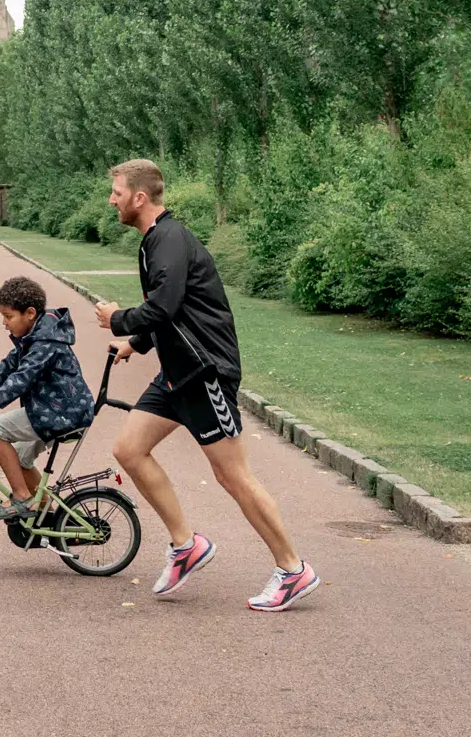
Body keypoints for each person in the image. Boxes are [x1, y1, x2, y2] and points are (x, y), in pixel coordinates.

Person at [95, 159, 320, 612]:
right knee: (129, 450)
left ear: (140, 197)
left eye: (117, 192)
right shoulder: (155, 241)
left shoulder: (169, 240)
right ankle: (186, 546)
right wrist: (135, 344)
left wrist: (117, 320)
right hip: (177, 373)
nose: (112, 199)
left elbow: (163, 306)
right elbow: (172, 312)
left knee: (232, 475)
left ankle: (293, 570)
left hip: (204, 373)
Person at [0, 277, 95, 521]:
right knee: (22, 459)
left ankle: (22, 497)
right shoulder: (37, 335)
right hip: (56, 409)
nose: (4, 323)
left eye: (8, 316)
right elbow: (9, 365)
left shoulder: (45, 343)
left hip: (61, 413)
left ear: (30, 313)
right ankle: (49, 518)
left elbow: (20, 379)